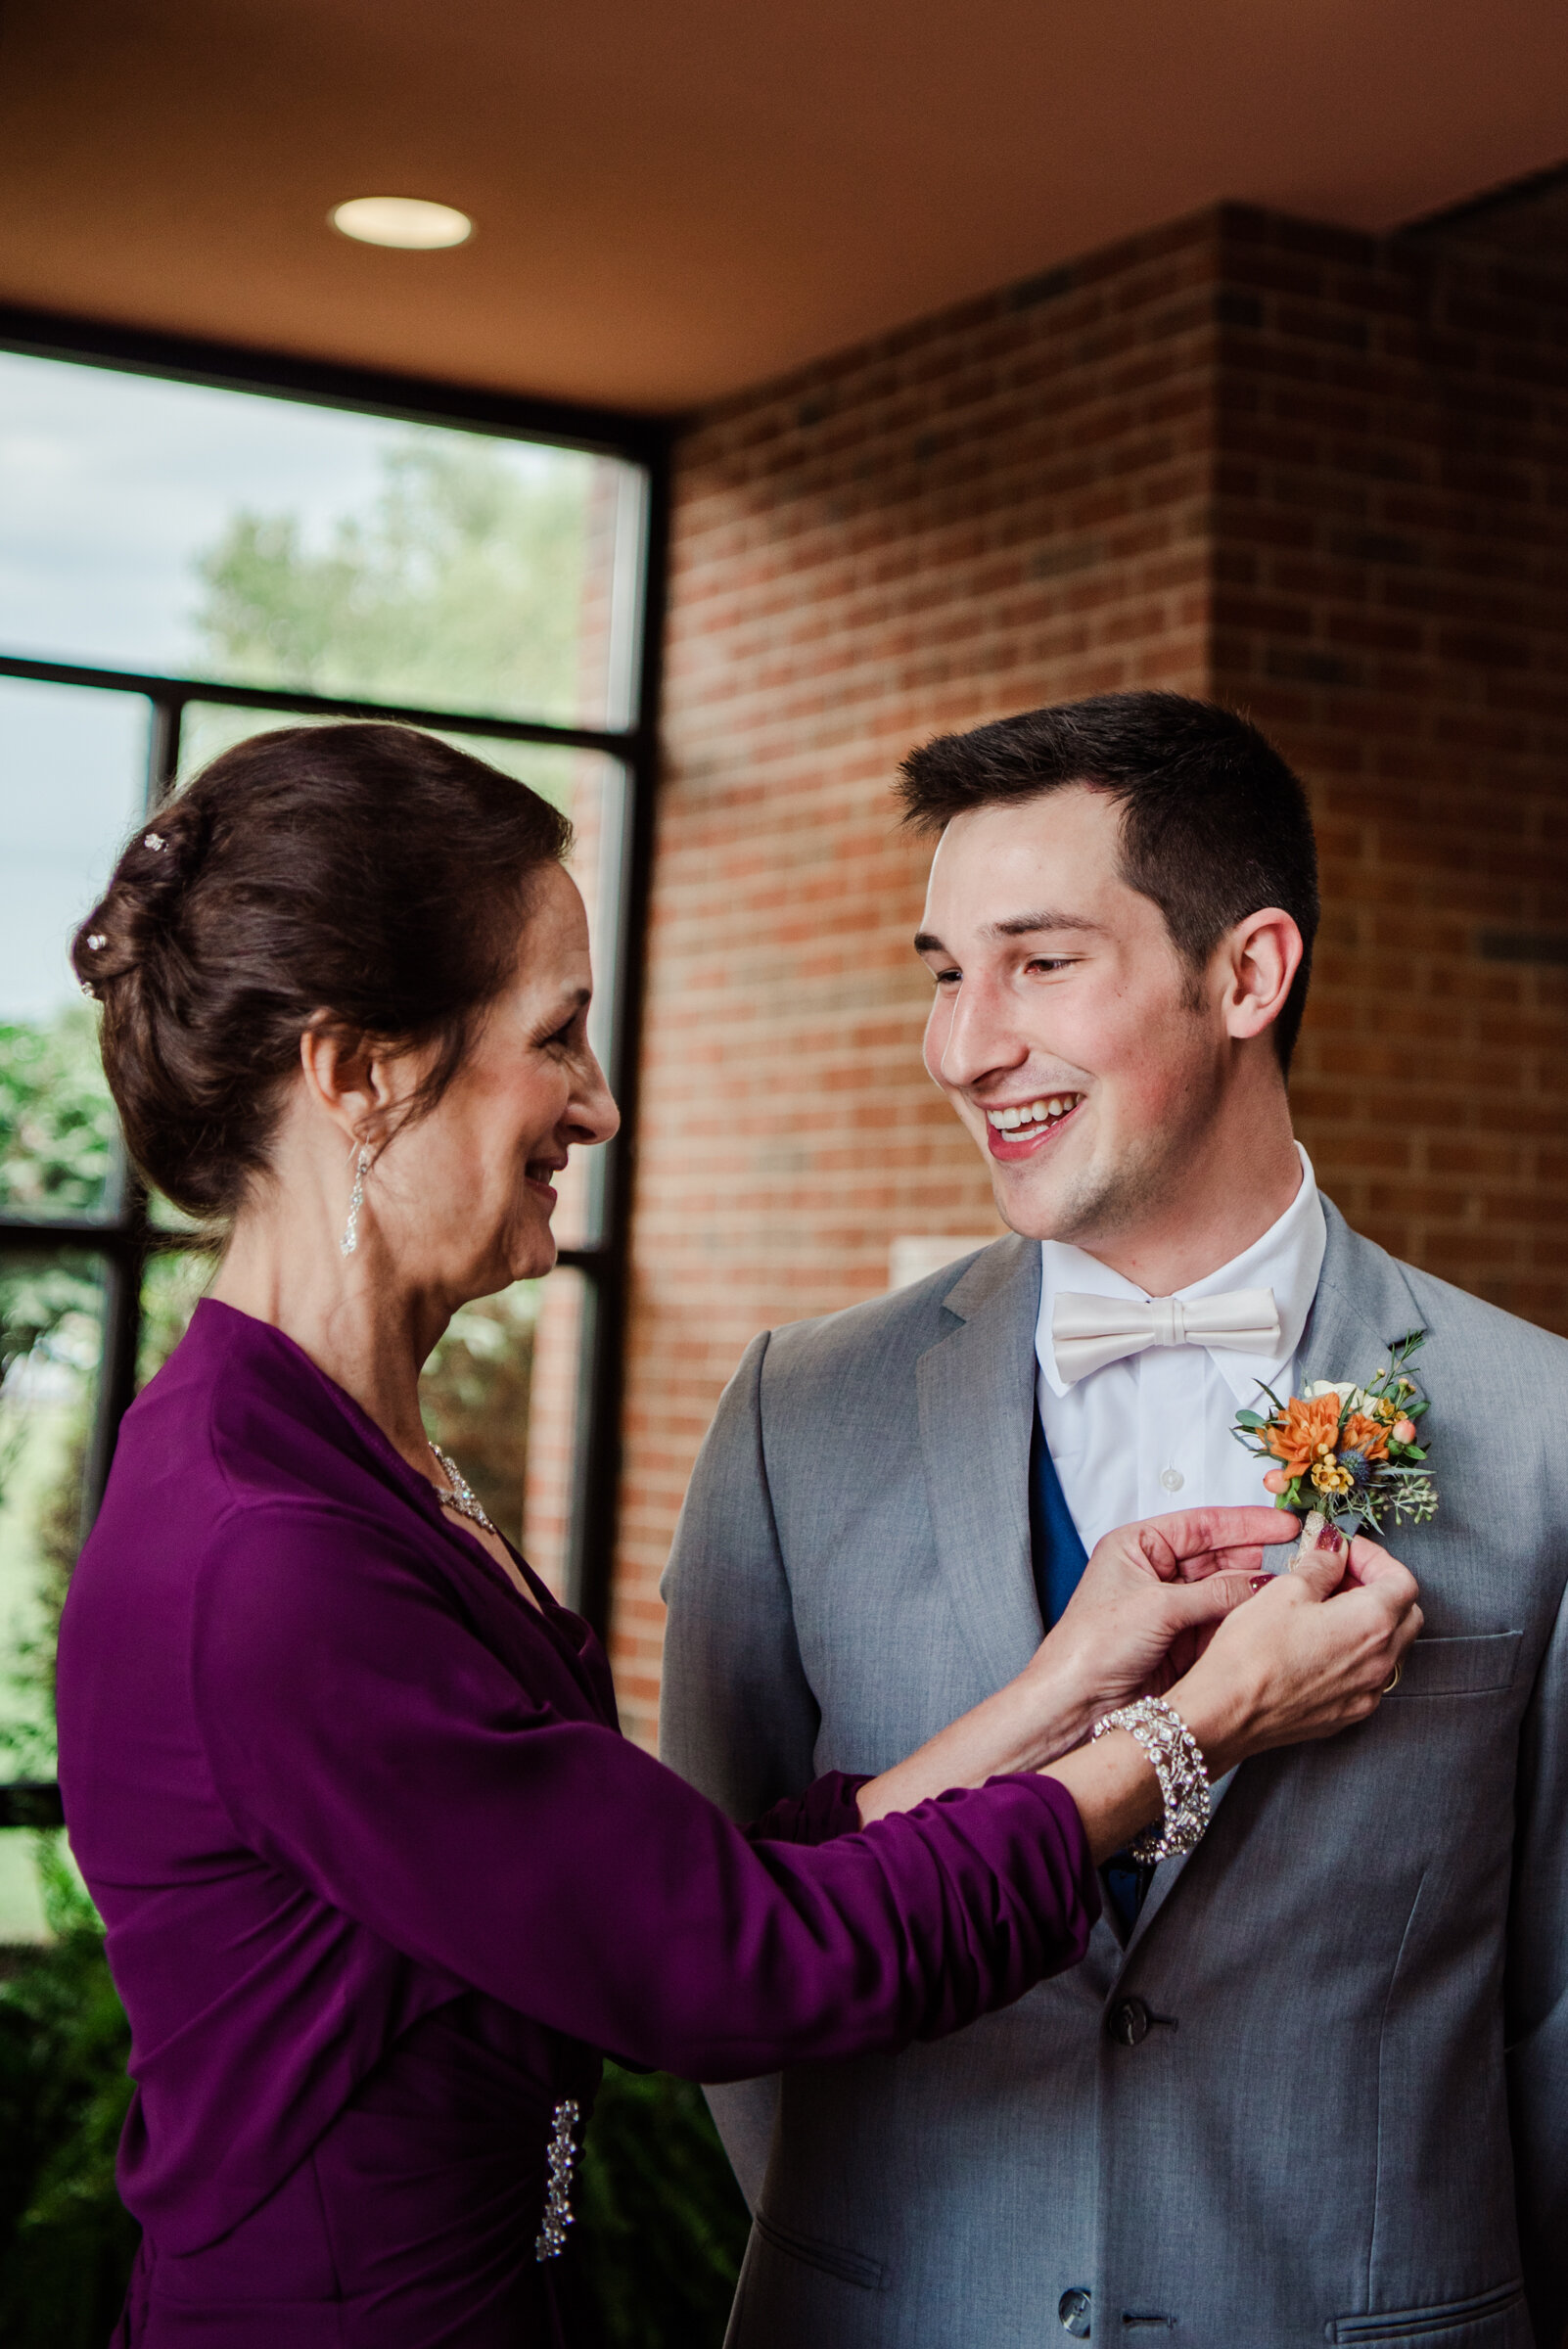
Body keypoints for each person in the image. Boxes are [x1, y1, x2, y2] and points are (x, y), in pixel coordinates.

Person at [55, 722, 1416, 2349]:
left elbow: (672, 1891)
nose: (599, 1106)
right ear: (353, 1075)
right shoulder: (265, 1552)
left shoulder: (352, 1458)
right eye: (555, 1036)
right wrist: (1192, 1729)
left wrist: (1060, 1686)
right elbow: (731, 1969)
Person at [661, 690, 1568, 2349]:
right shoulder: (800, 1413)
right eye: (944, 971)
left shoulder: (1541, 1432)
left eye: (1039, 963)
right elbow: (722, 1933)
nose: (961, 1043)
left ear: (1246, 975)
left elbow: (1556, 2013)